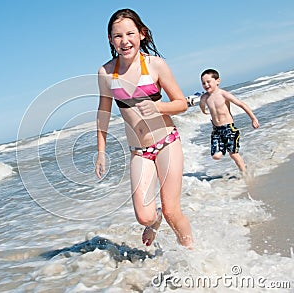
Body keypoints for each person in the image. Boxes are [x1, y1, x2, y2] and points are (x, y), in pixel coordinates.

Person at [95, 8, 193, 248]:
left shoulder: (155, 65)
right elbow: (103, 114)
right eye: (117, 36)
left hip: (167, 143)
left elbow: (181, 104)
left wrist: (159, 108)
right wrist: (101, 151)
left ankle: (192, 253)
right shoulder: (106, 73)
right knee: (144, 216)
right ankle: (155, 221)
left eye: (130, 33)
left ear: (142, 34)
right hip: (139, 151)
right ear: (110, 39)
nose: (124, 40)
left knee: (171, 210)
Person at [199, 69, 260, 172]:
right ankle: (222, 150)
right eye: (203, 83)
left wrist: (253, 119)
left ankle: (244, 172)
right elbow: (202, 105)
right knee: (216, 156)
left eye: (208, 81)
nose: (206, 85)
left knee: (233, 154)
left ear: (217, 81)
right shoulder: (204, 97)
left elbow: (241, 104)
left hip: (229, 128)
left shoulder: (223, 94)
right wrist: (204, 111)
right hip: (216, 130)